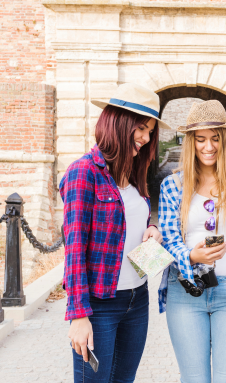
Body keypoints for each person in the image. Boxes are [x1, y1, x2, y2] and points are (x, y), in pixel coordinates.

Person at [60, 83, 171, 383]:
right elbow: (74, 250)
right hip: (99, 307)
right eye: (142, 129)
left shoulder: (135, 175)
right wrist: (78, 316)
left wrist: (153, 230)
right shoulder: (84, 172)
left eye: (151, 131)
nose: (147, 138)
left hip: (137, 300)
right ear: (120, 123)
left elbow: (131, 223)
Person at [157, 100, 226, 383]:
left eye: (215, 139)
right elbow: (169, 238)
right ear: (191, 142)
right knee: (194, 379)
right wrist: (192, 257)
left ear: (225, 141)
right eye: (201, 139)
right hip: (185, 292)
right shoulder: (173, 185)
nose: (208, 147)